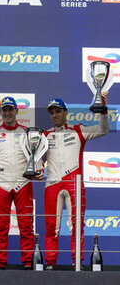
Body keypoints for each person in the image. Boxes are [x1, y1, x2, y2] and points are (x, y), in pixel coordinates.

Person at [44, 93, 109, 270]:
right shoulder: (44, 135)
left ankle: (77, 264)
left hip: (74, 184)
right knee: (51, 227)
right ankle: (50, 264)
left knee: (76, 227)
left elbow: (102, 130)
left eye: (58, 111)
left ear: (66, 112)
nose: (55, 115)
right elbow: (36, 160)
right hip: (52, 184)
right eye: (52, 112)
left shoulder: (78, 130)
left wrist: (103, 108)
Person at [0, 96, 43, 269]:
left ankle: (28, 263)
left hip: (23, 182)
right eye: (4, 109)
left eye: (10, 109)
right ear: (0, 112)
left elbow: (36, 157)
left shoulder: (27, 132)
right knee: (0, 225)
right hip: (1, 183)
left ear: (17, 111)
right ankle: (0, 264)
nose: (7, 113)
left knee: (26, 225)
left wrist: (39, 170)